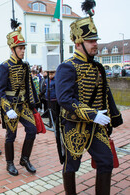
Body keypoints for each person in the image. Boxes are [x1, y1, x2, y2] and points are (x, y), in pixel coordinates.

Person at [55, 1, 123, 194]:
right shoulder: (67, 67)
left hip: (96, 126)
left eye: (95, 40)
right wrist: (92, 114)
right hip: (74, 125)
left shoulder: (97, 66)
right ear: (78, 43)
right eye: (91, 41)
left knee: (106, 161)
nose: (96, 44)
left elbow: (105, 94)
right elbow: (64, 99)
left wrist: (113, 118)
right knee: (71, 166)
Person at [0, 20, 40, 176]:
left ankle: (25, 159)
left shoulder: (25, 65)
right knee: (11, 135)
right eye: (20, 48)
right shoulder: (4, 66)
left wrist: (34, 104)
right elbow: (0, 91)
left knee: (32, 130)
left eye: (23, 48)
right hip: (11, 107)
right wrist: (7, 110)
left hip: (24, 106)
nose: (23, 51)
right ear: (12, 49)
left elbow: (29, 85)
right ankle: (9, 163)